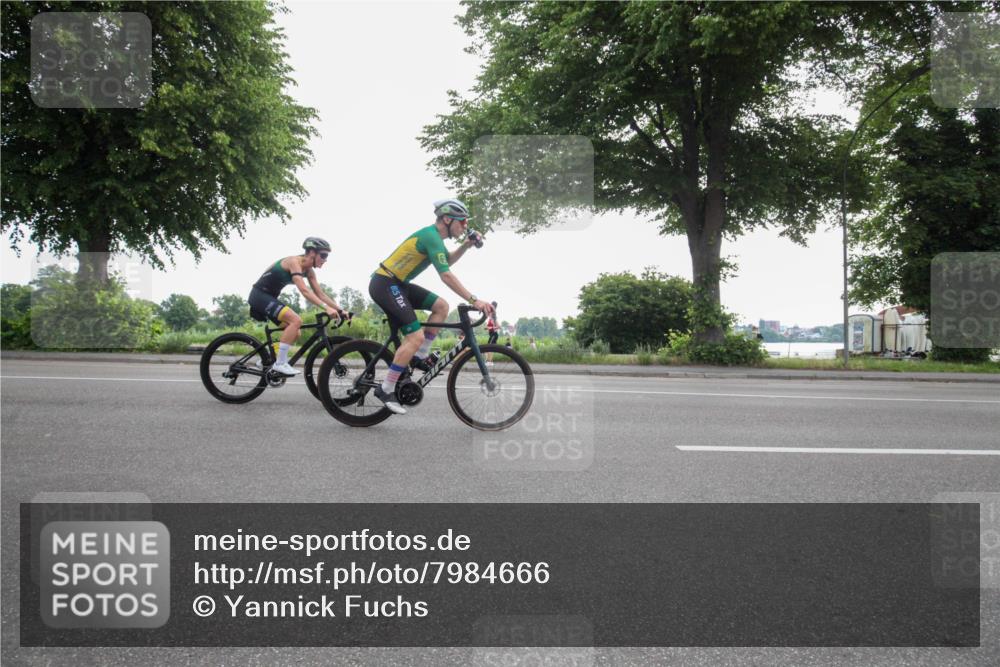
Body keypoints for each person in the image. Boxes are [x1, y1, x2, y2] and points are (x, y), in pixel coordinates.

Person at [368, 198, 493, 414]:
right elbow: (445, 274)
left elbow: (447, 261)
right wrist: (474, 299)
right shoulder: (430, 236)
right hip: (385, 283)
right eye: (462, 221)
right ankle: (385, 388)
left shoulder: (436, 240)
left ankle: (419, 356)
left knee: (441, 306)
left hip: (399, 284)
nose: (464, 226)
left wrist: (465, 245)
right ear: (447, 219)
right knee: (414, 337)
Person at [248, 237, 345, 376]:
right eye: (323, 255)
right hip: (259, 296)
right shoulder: (294, 262)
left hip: (268, 298)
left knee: (295, 331)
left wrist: (340, 309)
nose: (325, 259)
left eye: (326, 256)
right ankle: (280, 363)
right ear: (311, 252)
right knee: (296, 320)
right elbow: (304, 291)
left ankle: (268, 360)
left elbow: (320, 294)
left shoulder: (309, 271)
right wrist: (326, 308)